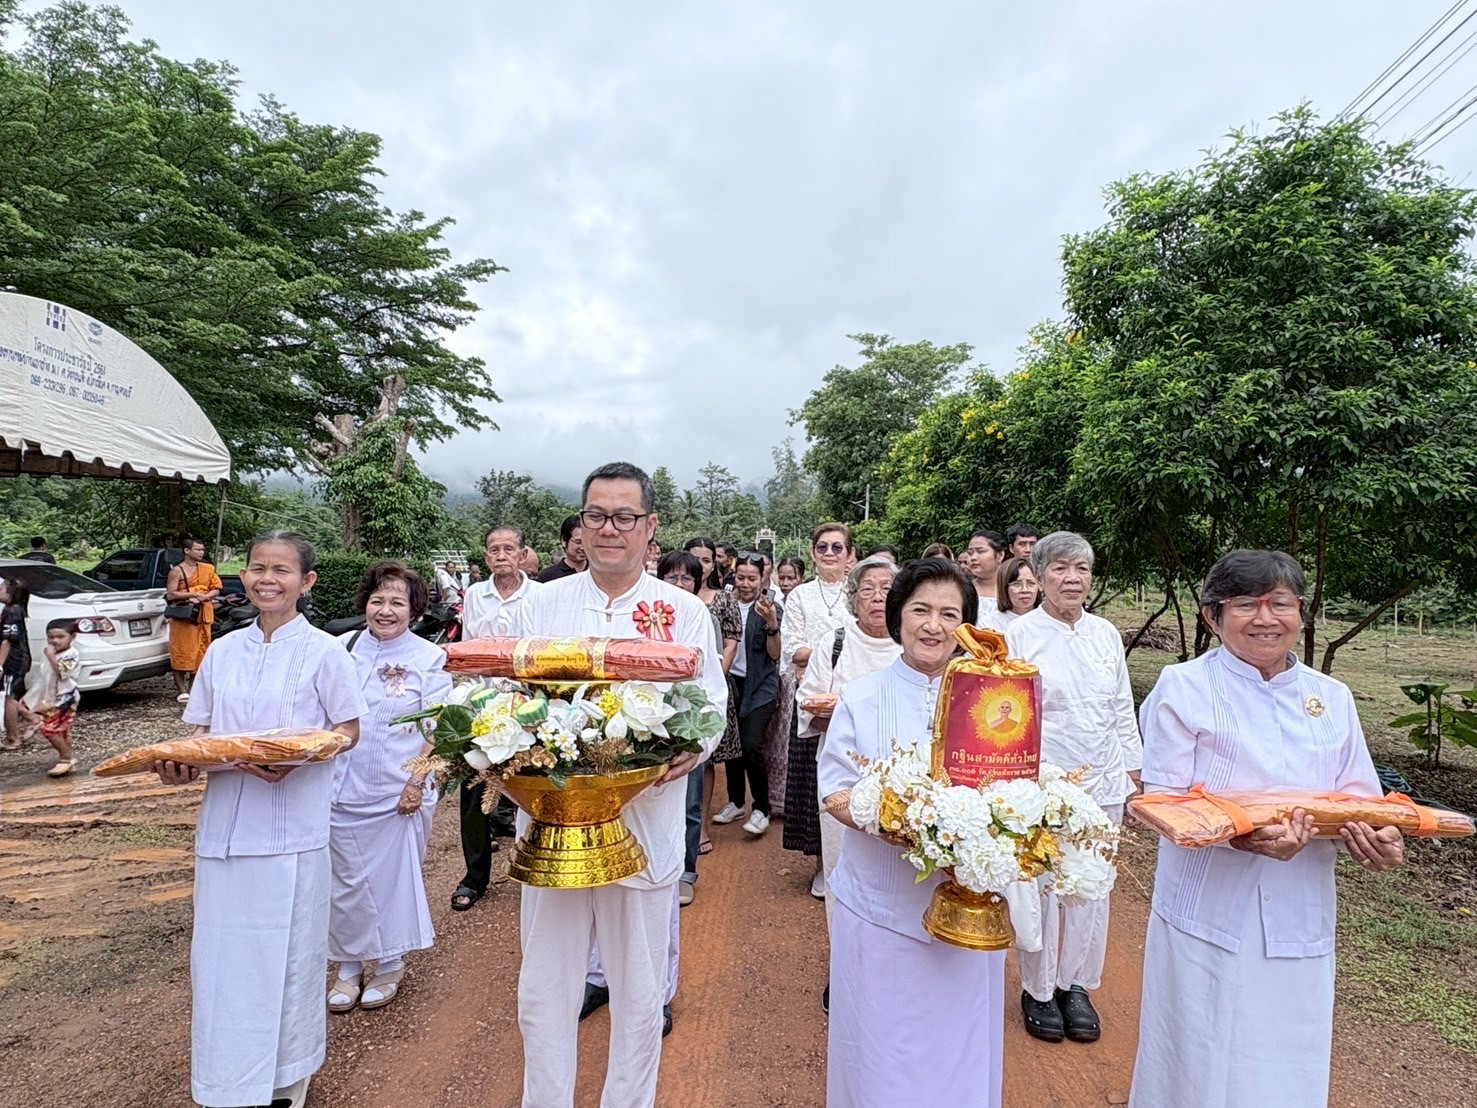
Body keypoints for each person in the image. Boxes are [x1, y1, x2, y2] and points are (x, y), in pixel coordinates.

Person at [1128, 550, 1403, 1107]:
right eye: (1246, 604)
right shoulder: (1183, 687)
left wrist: (1379, 839)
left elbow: (1360, 800)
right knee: (1197, 1055)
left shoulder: (1332, 698)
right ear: (1212, 616)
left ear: (1300, 611)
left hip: (1299, 908)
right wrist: (1240, 835)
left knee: (1286, 1058)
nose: (1265, 618)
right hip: (1205, 909)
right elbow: (1162, 803)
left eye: (1280, 603)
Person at [511, 462, 726, 1108]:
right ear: (581, 524)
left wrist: (690, 745)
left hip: (643, 820)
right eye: (596, 516)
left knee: (638, 994)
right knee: (543, 992)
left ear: (649, 526)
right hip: (553, 828)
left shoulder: (682, 612)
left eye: (624, 516)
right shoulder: (540, 603)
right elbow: (505, 693)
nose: (609, 529)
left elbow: (709, 703)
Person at [154, 531, 365, 1108]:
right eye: (257, 568)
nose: (267, 579)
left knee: (289, 957)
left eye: (281, 570)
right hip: (224, 832)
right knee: (222, 962)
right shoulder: (223, 651)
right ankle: (225, 1082)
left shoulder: (326, 651)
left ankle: (286, 1079)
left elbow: (348, 731)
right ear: (242, 576)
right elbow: (204, 734)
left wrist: (301, 758)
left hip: (292, 832)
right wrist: (183, 765)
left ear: (306, 582)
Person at [817, 558, 1003, 1107]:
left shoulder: (993, 704)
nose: (933, 626)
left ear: (967, 626)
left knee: (957, 1045)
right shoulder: (861, 696)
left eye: (950, 614)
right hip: (879, 906)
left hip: (966, 909)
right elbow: (835, 792)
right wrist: (901, 822)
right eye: (921, 610)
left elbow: (1017, 785)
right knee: (880, 1047)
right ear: (898, 615)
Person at [1006, 532, 1141, 1044]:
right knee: (1041, 886)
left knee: (1091, 886)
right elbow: (1008, 714)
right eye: (1060, 568)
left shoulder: (1105, 633)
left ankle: (1075, 985)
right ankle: (1038, 988)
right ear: (1040, 577)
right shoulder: (1021, 635)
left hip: (1103, 778)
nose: (1072, 579)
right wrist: (1022, 779)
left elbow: (1121, 706)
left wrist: (1133, 772)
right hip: (1043, 780)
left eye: (1081, 569)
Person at [327, 561, 451, 1015]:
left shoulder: (429, 658)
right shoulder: (340, 649)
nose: (385, 610)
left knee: (393, 882)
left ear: (414, 610)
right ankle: (347, 965)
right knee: (344, 883)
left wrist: (416, 782)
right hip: (341, 790)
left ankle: (391, 962)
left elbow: (439, 730)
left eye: (397, 602)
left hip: (399, 793)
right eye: (378, 600)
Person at [796, 553, 901, 1011]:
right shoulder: (835, 643)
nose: (877, 597)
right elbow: (807, 704)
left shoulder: (910, 645)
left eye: (886, 589)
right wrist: (847, 714)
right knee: (843, 871)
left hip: (905, 783)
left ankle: (894, 970)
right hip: (844, 780)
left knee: (900, 874)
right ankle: (843, 968)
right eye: (867, 589)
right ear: (853, 598)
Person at [453, 525, 539, 912]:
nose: (501, 556)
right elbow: (469, 647)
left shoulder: (539, 595)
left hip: (528, 704)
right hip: (482, 701)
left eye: (508, 549)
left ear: (522, 555)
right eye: (493, 550)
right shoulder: (475, 594)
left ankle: (535, 869)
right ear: (486, 556)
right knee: (474, 790)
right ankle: (474, 877)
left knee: (533, 787)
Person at [779, 523, 853, 887]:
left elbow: (870, 640)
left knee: (854, 778)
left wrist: (818, 652)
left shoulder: (858, 592)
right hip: (814, 700)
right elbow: (793, 649)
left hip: (855, 696)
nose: (829, 554)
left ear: (849, 555)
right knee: (816, 784)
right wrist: (835, 651)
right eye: (822, 547)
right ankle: (824, 865)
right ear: (812, 553)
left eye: (837, 547)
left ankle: (855, 864)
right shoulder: (800, 596)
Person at [711, 552, 782, 836]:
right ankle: (736, 801)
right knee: (733, 745)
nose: (746, 584)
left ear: (763, 578)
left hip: (761, 685)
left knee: (752, 744)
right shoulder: (724, 604)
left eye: (752, 578)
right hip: (731, 683)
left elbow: (774, 654)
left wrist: (772, 623)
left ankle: (762, 808)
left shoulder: (769, 608)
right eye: (741, 577)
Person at [685, 536, 741, 847]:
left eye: (706, 560)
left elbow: (731, 642)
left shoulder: (723, 598)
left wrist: (715, 678)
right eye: (694, 558)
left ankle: (701, 826)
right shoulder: (670, 596)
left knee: (705, 759)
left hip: (712, 685)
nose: (700, 566)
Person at [20, 618, 81, 776]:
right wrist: (33, 697)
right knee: (62, 730)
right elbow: (43, 677)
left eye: (60, 637)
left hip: (65, 699)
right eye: (51, 637)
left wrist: (51, 656)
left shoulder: (71, 655)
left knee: (51, 730)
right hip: (52, 699)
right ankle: (69, 756)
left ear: (72, 637)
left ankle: (65, 759)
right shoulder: (50, 654)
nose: (55, 641)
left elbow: (62, 673)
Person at [166, 538, 224, 704]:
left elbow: (216, 588)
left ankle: (193, 689)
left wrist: (206, 596)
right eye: (197, 549)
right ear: (186, 551)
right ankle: (182, 690)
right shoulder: (177, 571)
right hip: (184, 617)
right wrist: (193, 594)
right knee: (182, 652)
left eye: (202, 550)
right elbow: (171, 594)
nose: (201, 552)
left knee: (200, 652)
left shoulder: (207, 568)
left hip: (203, 615)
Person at [0, 578, 31, 750]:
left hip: (13, 661)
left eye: (1, 588)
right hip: (18, 659)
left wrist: (0, 664)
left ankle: (14, 738)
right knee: (10, 696)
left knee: (9, 698)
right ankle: (34, 719)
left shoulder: (11, 611)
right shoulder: (15, 610)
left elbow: (7, 641)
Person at [978, 556, 1040, 633]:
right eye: (1016, 584)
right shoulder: (988, 624)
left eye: (1031, 583)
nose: (1024, 590)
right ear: (1004, 587)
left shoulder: (1048, 619)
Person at [963, 529, 1006, 613]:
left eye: (980, 551)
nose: (973, 558)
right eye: (970, 553)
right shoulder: (963, 589)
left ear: (1000, 555)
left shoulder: (1014, 588)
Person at [535, 514, 587, 582]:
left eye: (587, 542)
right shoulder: (547, 577)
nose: (583, 547)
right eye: (578, 542)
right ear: (564, 541)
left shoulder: (597, 571)